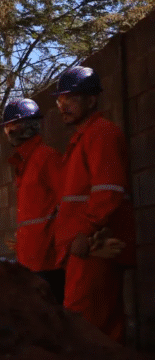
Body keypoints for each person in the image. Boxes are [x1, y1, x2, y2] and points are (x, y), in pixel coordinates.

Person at [51, 66, 135, 342]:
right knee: (102, 332)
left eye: (71, 99)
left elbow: (108, 192)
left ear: (92, 100)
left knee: (83, 330)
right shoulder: (82, 140)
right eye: (60, 100)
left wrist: (85, 233)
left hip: (94, 247)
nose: (63, 106)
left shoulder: (101, 134)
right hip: (83, 249)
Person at [1, 98, 65, 304]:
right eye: (8, 127)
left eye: (15, 126)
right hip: (29, 260)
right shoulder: (23, 163)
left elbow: (67, 205)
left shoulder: (46, 158)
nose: (11, 132)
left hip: (49, 262)